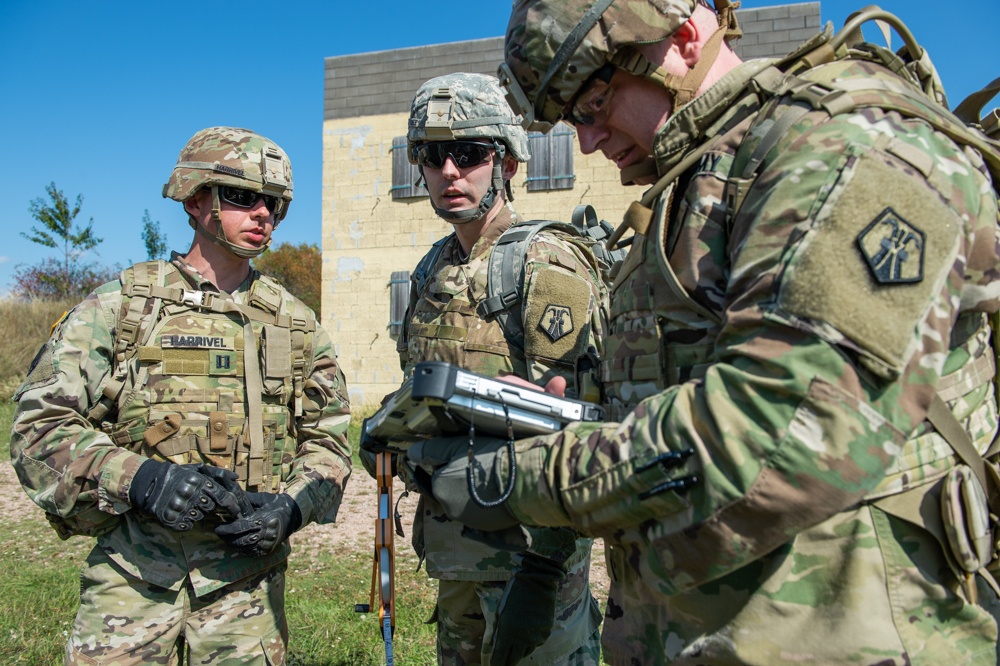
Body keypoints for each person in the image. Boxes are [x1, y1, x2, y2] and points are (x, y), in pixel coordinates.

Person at [407, 1, 1000, 664]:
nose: (587, 141)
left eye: (595, 103)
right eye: (573, 117)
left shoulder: (841, 145)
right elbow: (669, 403)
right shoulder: (691, 189)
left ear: (684, 36)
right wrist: (566, 416)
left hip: (845, 636)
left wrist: (518, 477)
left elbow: (787, 433)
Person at [10, 126, 353, 665]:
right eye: (242, 196)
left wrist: (291, 508)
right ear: (197, 200)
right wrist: (142, 479)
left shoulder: (296, 324)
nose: (262, 212)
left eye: (276, 203)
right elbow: (38, 427)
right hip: (132, 580)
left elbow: (329, 443)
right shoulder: (122, 307)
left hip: (246, 595)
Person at [394, 72, 605, 665]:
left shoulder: (544, 263)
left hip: (531, 556)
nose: (450, 172)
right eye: (433, 156)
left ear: (508, 163)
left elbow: (579, 428)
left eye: (469, 154)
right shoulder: (431, 269)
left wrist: (542, 572)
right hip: (456, 550)